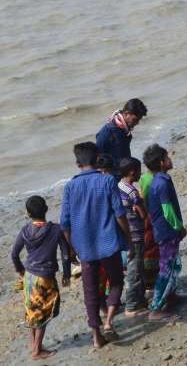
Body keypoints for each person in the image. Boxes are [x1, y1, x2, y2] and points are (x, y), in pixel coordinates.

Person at [60, 142, 132, 348]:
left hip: (84, 247)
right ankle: (109, 321)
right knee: (116, 282)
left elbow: (64, 223)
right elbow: (119, 214)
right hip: (108, 242)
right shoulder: (107, 181)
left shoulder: (70, 186)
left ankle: (96, 336)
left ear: (77, 163)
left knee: (90, 291)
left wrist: (72, 247)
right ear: (96, 159)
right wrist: (128, 237)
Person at [11, 195, 71, 360]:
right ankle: (37, 351)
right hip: (45, 277)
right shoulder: (55, 230)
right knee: (43, 313)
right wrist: (66, 274)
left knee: (32, 310)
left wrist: (21, 271)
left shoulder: (25, 231)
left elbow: (14, 254)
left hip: (29, 276)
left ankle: (33, 343)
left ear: (28, 214)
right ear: (46, 209)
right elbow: (65, 255)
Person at [143, 144, 186, 322]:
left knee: (174, 264)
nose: (170, 160)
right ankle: (156, 309)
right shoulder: (161, 184)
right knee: (166, 268)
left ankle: (171, 296)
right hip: (167, 232)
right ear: (162, 162)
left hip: (166, 231)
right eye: (168, 157)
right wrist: (179, 227)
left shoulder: (161, 179)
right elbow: (167, 211)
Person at [117, 157, 147, 317]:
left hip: (124, 235)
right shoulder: (132, 191)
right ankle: (132, 305)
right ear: (132, 172)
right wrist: (142, 204)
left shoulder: (118, 186)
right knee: (134, 270)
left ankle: (140, 300)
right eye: (139, 171)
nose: (140, 174)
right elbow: (142, 214)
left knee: (134, 267)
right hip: (135, 234)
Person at [96, 98, 148, 177]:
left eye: (139, 120)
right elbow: (97, 159)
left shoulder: (124, 130)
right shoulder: (108, 132)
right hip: (112, 178)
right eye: (135, 120)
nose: (137, 123)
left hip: (122, 176)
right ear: (126, 114)